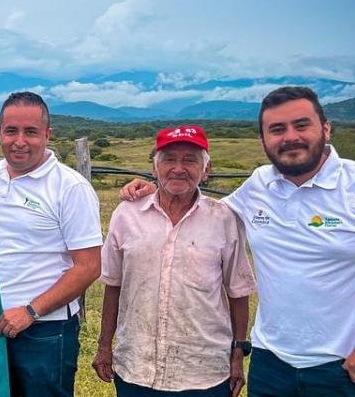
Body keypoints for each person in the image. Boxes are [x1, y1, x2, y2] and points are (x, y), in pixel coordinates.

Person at [120, 87, 355, 396]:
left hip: (348, 366)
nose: (290, 137)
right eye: (277, 129)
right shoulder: (260, 184)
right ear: (263, 140)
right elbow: (206, 211)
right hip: (271, 364)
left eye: (301, 125)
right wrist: (161, 189)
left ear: (326, 129)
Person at [94, 125, 254, 397]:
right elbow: (114, 285)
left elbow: (238, 292)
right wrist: (104, 346)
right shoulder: (127, 214)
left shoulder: (223, 218)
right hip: (136, 367)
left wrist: (238, 352)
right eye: (169, 159)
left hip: (203, 371)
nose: (178, 168)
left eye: (190, 160)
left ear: (206, 169)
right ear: (155, 168)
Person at [0, 91, 102, 397]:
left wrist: (30, 311)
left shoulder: (70, 187)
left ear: (48, 134)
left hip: (44, 331)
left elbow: (89, 266)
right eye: (11, 131)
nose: (19, 141)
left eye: (31, 132)